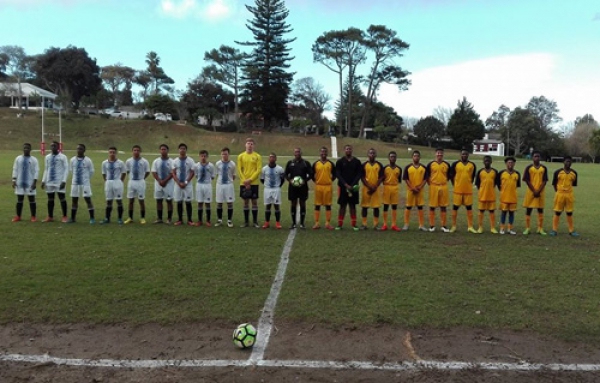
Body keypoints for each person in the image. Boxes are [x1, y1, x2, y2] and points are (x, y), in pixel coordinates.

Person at [335, 144, 362, 231]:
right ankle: (339, 224)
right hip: (343, 187)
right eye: (347, 149)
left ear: (352, 150)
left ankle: (354, 224)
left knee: (352, 206)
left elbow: (359, 174)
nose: (348, 150)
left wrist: (352, 185)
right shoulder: (340, 161)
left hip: (353, 188)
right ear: (344, 150)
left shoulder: (357, 162)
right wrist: (345, 184)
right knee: (342, 206)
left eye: (350, 149)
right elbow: (338, 174)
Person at [549, 156, 579, 237]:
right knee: (557, 212)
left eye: (569, 161)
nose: (568, 163)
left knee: (569, 212)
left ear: (571, 163)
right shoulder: (557, 172)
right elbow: (554, 184)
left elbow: (573, 184)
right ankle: (554, 230)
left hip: (569, 195)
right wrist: (558, 192)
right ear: (564, 162)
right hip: (560, 194)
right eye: (567, 161)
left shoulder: (574, 173)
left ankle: (571, 230)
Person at [449, 149, 477, 233]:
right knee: (455, 207)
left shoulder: (472, 165)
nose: (464, 155)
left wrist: (468, 184)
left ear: (468, 155)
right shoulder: (455, 164)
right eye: (463, 154)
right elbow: (451, 175)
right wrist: (455, 184)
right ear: (460, 155)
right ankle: (453, 226)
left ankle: (470, 226)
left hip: (468, 190)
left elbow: (472, 177)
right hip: (458, 190)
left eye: (465, 154)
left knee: (469, 208)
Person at [285, 147, 313, 229]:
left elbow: (311, 174)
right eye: (296, 152)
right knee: (293, 203)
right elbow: (285, 174)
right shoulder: (290, 163)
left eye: (298, 152)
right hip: (292, 187)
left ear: (301, 153)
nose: (297, 153)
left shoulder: (306, 163)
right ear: (294, 153)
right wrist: (290, 180)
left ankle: (302, 223)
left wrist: (305, 181)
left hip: (303, 187)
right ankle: (293, 223)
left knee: (302, 203)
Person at [41, 141, 69, 223]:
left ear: (58, 147)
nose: (53, 147)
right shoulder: (47, 157)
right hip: (49, 181)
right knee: (50, 199)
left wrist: (64, 181)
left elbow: (66, 169)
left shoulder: (63, 157)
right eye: (51, 146)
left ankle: (64, 216)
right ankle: (50, 216)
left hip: (59, 181)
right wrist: (43, 180)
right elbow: (46, 169)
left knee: (62, 198)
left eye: (54, 146)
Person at [522, 150, 548, 235]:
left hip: (540, 192)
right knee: (529, 209)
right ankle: (527, 228)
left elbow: (545, 181)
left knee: (540, 209)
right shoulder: (529, 167)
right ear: (532, 157)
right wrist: (534, 190)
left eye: (538, 156)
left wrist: (538, 191)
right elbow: (527, 180)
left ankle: (540, 228)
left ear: (540, 158)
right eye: (535, 156)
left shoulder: (543, 168)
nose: (537, 158)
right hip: (531, 191)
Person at [237, 138, 262, 228]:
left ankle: (255, 222)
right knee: (245, 202)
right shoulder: (241, 156)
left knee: (254, 202)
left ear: (254, 145)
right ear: (245, 145)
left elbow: (258, 169)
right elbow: (239, 169)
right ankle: (246, 222)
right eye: (248, 143)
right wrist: (245, 180)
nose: (250, 145)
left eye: (251, 144)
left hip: (254, 182)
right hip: (243, 182)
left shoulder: (257, 156)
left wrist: (250, 180)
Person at [11, 142, 39, 222]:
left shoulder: (34, 160)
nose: (26, 149)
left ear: (30, 149)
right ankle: (18, 216)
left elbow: (36, 171)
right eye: (25, 148)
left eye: (27, 148)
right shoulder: (18, 158)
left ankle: (33, 216)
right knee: (19, 200)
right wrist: (14, 180)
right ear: (23, 149)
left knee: (32, 199)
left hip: (30, 183)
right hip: (19, 182)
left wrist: (34, 182)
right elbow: (15, 169)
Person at [68, 143, 96, 224]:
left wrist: (86, 179)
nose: (78, 150)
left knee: (88, 199)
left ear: (84, 150)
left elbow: (91, 171)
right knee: (74, 200)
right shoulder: (72, 160)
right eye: (77, 149)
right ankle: (73, 218)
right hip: (75, 183)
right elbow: (71, 170)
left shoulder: (88, 160)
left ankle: (92, 218)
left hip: (85, 183)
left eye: (80, 149)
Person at [425, 148, 451, 232]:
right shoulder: (431, 164)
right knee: (432, 206)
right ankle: (432, 225)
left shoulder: (446, 164)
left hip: (443, 186)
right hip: (433, 186)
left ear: (443, 154)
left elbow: (448, 176)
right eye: (438, 153)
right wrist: (431, 184)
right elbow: (427, 176)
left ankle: (443, 225)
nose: (439, 155)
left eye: (441, 153)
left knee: (443, 206)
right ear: (435, 154)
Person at [402, 150, 428, 231]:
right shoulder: (408, 167)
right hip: (411, 190)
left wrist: (419, 187)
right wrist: (412, 188)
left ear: (420, 157)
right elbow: (406, 179)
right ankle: (406, 224)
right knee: (408, 206)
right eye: (414, 156)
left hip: (420, 191)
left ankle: (421, 225)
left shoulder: (423, 167)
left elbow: (425, 179)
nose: (416, 157)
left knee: (420, 207)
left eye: (417, 156)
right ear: (412, 157)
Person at [124, 145, 150, 224]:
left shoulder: (144, 161)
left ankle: (142, 218)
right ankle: (130, 217)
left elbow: (148, 171)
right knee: (131, 200)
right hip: (131, 182)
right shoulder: (128, 161)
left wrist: (142, 178)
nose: (136, 152)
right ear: (132, 151)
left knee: (141, 200)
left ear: (140, 151)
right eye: (134, 150)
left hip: (140, 182)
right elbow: (127, 171)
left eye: (138, 150)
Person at [100, 146, 126, 224]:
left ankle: (120, 219)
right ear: (108, 153)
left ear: (116, 153)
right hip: (108, 182)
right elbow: (104, 173)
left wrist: (120, 181)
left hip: (117, 182)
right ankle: (107, 218)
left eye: (113, 152)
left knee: (119, 201)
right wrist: (106, 181)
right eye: (110, 152)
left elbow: (124, 173)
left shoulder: (120, 162)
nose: (112, 154)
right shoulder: (104, 163)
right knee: (109, 201)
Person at [312, 147, 336, 230]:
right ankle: (317, 223)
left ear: (327, 153)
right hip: (318, 186)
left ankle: (327, 223)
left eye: (325, 152)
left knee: (328, 205)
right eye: (322, 152)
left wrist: (330, 180)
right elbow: (312, 174)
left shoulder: (331, 163)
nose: (323, 153)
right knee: (317, 205)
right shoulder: (316, 163)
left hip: (328, 186)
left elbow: (335, 174)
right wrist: (316, 181)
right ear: (319, 153)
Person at [360, 148, 384, 230]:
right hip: (366, 188)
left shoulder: (379, 165)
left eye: (373, 153)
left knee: (376, 207)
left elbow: (381, 177)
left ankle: (376, 225)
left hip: (376, 189)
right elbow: (362, 177)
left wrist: (375, 186)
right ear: (368, 155)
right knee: (364, 206)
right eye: (370, 153)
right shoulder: (364, 165)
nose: (372, 155)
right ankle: (364, 224)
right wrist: (369, 186)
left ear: (376, 155)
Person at [171, 143, 196, 226]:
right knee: (179, 202)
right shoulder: (175, 161)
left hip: (187, 184)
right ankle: (180, 220)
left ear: (186, 150)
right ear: (178, 150)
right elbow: (173, 173)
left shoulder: (190, 160)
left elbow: (192, 172)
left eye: (184, 148)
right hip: (178, 184)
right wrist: (178, 182)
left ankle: (190, 220)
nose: (182, 150)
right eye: (181, 148)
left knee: (188, 202)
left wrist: (186, 182)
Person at [474, 155, 499, 234]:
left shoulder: (495, 171)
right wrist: (482, 190)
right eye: (485, 161)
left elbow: (496, 183)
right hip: (482, 195)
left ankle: (492, 228)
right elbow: (477, 184)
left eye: (488, 161)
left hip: (491, 195)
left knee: (491, 211)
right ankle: (480, 227)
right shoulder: (480, 171)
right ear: (483, 162)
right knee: (481, 210)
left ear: (491, 162)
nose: (487, 162)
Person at [260, 152, 285, 229]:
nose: (272, 158)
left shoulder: (280, 169)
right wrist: (267, 185)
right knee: (268, 206)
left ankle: (277, 223)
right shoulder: (264, 169)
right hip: (267, 189)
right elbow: (262, 179)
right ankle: (267, 222)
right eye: (270, 157)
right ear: (268, 158)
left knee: (276, 206)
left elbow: (282, 179)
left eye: (273, 157)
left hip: (276, 189)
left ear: (276, 159)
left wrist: (278, 186)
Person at [151, 144, 174, 224]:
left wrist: (165, 181)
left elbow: (172, 173)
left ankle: (169, 219)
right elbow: (154, 172)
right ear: (159, 150)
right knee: (159, 200)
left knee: (169, 200)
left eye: (164, 149)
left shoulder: (172, 161)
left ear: (167, 151)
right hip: (158, 184)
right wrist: (159, 180)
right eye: (162, 149)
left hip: (169, 183)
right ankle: (159, 218)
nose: (163, 151)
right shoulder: (156, 161)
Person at [498, 156, 521, 235]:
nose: (510, 164)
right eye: (508, 162)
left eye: (512, 162)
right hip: (504, 197)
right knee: (503, 212)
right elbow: (498, 184)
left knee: (512, 213)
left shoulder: (517, 173)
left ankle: (510, 229)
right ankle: (502, 228)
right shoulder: (501, 173)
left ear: (514, 164)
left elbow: (517, 185)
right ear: (506, 164)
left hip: (513, 197)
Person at [215, 147, 236, 228]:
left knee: (229, 203)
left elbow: (233, 176)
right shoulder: (217, 163)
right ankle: (219, 220)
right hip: (219, 185)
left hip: (229, 185)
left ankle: (229, 220)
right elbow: (217, 174)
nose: (224, 155)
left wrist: (229, 181)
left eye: (226, 154)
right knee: (219, 202)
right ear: (221, 154)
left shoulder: (232, 164)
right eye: (223, 154)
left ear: (228, 154)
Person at [381, 151, 401, 231]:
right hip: (386, 187)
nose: (393, 158)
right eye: (391, 156)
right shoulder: (385, 168)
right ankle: (385, 224)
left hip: (395, 187)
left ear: (396, 158)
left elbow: (399, 180)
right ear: (388, 158)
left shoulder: (399, 168)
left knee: (394, 206)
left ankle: (394, 224)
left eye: (394, 157)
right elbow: (382, 178)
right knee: (386, 205)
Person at [194, 149, 216, 227]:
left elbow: (213, 176)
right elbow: (196, 175)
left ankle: (208, 220)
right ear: (199, 156)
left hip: (207, 185)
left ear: (207, 157)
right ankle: (200, 220)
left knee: (207, 203)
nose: (203, 157)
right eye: (202, 156)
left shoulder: (211, 165)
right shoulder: (196, 165)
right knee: (200, 202)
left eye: (205, 156)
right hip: (199, 185)